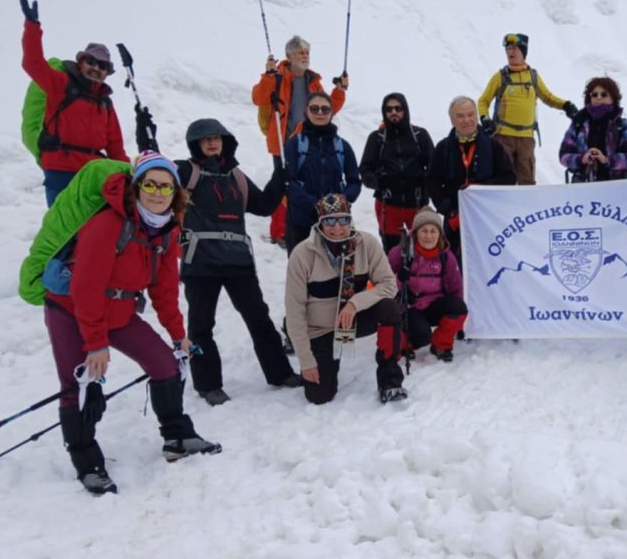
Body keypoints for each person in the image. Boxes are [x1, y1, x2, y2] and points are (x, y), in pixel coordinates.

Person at [43, 151, 220, 495]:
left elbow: (165, 289)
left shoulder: (168, 231)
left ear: (176, 193)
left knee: (166, 365)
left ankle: (177, 436)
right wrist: (95, 344)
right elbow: (86, 286)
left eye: (165, 187)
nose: (157, 193)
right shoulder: (109, 224)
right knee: (79, 385)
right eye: (150, 184)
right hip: (70, 310)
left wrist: (178, 335)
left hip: (119, 312)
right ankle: (87, 461)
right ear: (136, 188)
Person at [170, 119, 303, 406]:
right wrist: (147, 141)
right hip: (201, 261)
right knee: (201, 324)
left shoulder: (236, 176)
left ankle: (280, 373)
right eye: (205, 139)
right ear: (196, 144)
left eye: (217, 137)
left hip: (237, 261)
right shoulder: (185, 172)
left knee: (259, 319)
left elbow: (265, 205)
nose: (212, 142)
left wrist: (279, 177)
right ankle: (208, 385)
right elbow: (156, 178)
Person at [285, 194, 407, 404]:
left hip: (353, 319)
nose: (337, 227)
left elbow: (388, 284)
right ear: (320, 223)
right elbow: (295, 311)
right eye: (330, 221)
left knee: (390, 309)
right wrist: (306, 361)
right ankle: (331, 357)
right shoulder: (302, 254)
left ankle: (390, 379)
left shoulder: (366, 243)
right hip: (321, 328)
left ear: (351, 220)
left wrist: (354, 304)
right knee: (319, 396)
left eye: (343, 220)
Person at [19, 0, 128, 206]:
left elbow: (115, 145)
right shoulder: (61, 84)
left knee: (92, 229)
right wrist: (32, 27)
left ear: (107, 72)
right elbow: (33, 63)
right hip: (60, 168)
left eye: (102, 66)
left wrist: (129, 174)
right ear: (81, 62)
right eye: (91, 61)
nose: (96, 68)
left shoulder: (105, 102)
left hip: (93, 171)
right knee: (63, 229)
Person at [251, 35, 348, 245]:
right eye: (300, 53)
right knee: (282, 184)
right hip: (282, 142)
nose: (305, 57)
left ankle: (299, 227)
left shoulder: (313, 81)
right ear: (289, 55)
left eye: (306, 53)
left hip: (307, 143)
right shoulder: (277, 76)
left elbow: (328, 108)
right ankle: (279, 231)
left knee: (301, 186)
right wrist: (268, 75)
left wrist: (339, 91)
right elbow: (258, 98)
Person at [426, 96, 516, 266]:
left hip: (488, 219)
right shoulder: (443, 148)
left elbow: (509, 178)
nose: (467, 120)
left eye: (470, 114)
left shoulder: (493, 145)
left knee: (489, 265)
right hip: (455, 220)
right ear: (452, 120)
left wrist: (481, 188)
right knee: (455, 266)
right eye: (460, 116)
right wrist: (448, 210)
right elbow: (433, 183)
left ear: (476, 116)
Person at [477, 33, 577, 186]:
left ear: (523, 51)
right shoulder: (500, 77)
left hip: (526, 139)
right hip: (503, 137)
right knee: (503, 180)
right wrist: (485, 118)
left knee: (527, 181)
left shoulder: (533, 77)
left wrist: (566, 105)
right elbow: (483, 101)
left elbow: (547, 97)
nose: (511, 52)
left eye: (515, 48)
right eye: (508, 48)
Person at [282, 92, 362, 253]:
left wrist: (341, 201)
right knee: (302, 269)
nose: (320, 113)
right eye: (314, 108)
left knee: (336, 269)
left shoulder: (342, 146)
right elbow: (288, 181)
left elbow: (354, 181)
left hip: (336, 223)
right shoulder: (295, 144)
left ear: (332, 113)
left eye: (325, 109)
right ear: (306, 112)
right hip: (301, 220)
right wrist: (314, 205)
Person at [387, 208, 467, 362]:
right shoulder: (400, 253)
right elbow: (383, 281)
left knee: (459, 307)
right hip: (409, 306)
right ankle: (405, 343)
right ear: (415, 232)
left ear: (440, 234)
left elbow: (456, 288)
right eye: (424, 231)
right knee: (422, 336)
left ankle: (441, 345)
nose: (429, 236)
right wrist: (399, 280)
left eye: (433, 231)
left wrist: (457, 322)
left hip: (433, 305)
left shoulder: (445, 256)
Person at [360, 93, 436, 251]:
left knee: (422, 250)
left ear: (405, 110)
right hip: (388, 206)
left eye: (398, 108)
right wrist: (380, 182)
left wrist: (424, 183)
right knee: (392, 253)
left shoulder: (420, 136)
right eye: (388, 109)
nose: (393, 112)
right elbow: (365, 170)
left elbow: (434, 167)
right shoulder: (377, 138)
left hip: (417, 204)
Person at [558, 76, 627, 183]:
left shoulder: (621, 124)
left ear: (613, 98)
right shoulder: (578, 122)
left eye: (604, 94)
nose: (599, 97)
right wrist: (582, 159)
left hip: (616, 188)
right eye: (594, 94)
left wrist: (607, 160)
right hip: (582, 187)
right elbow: (563, 156)